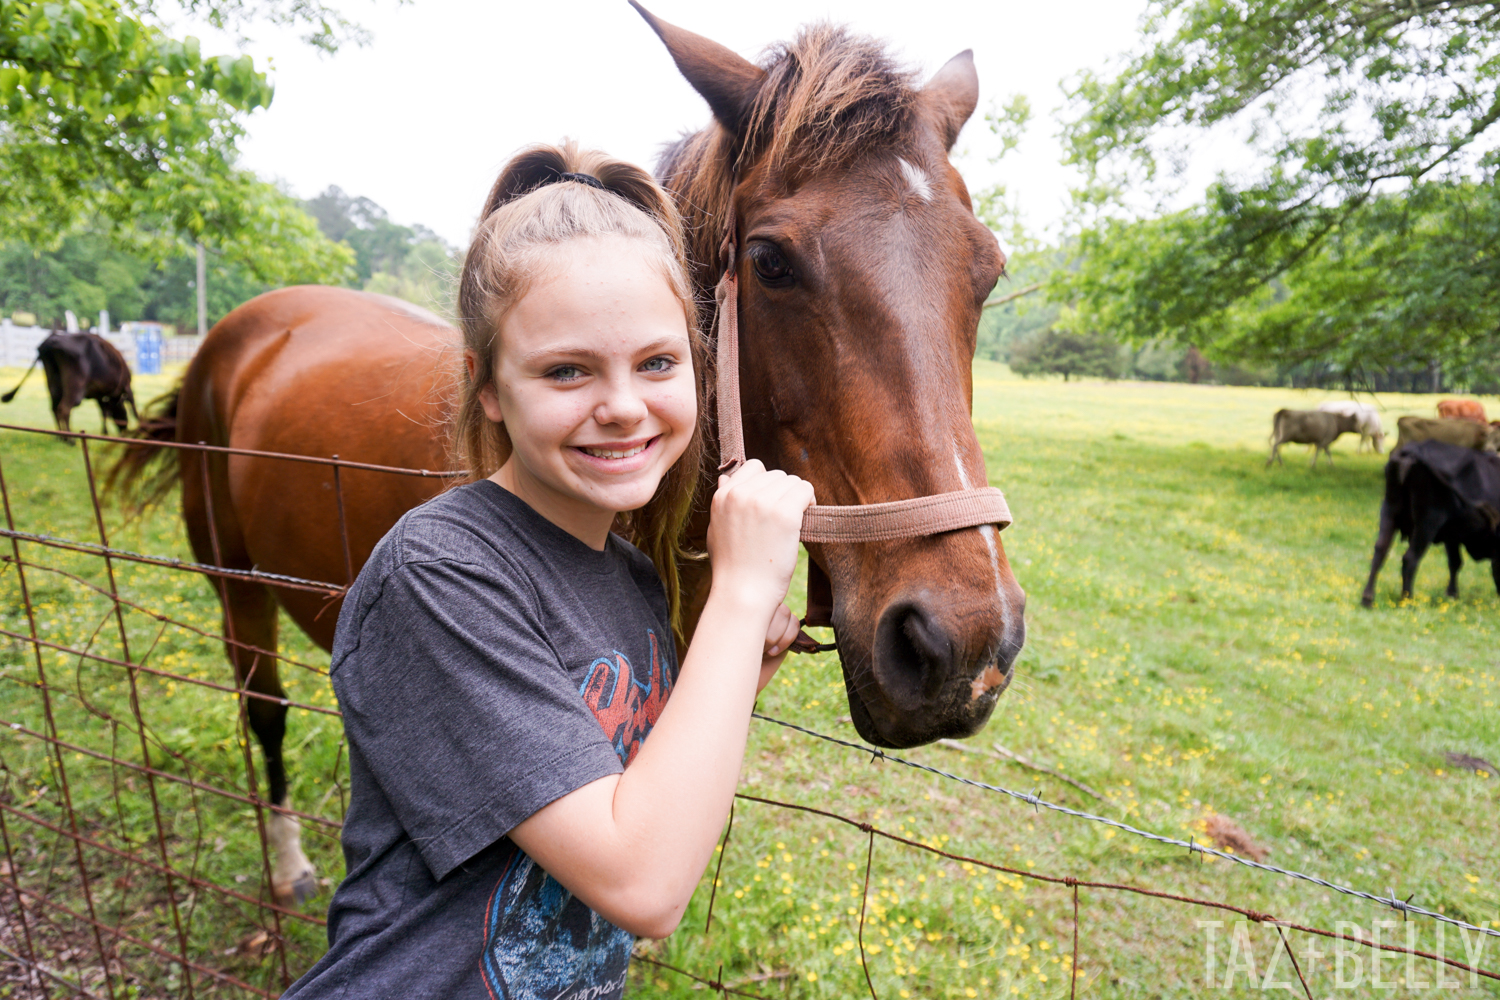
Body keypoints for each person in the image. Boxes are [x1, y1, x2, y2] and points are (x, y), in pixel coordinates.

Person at [282, 142, 814, 1000]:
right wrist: (739, 592)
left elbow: (632, 786)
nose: (623, 406)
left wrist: (736, 667)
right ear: (487, 384)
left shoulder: (629, 577)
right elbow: (643, 882)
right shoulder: (441, 575)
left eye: (657, 363)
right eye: (567, 370)